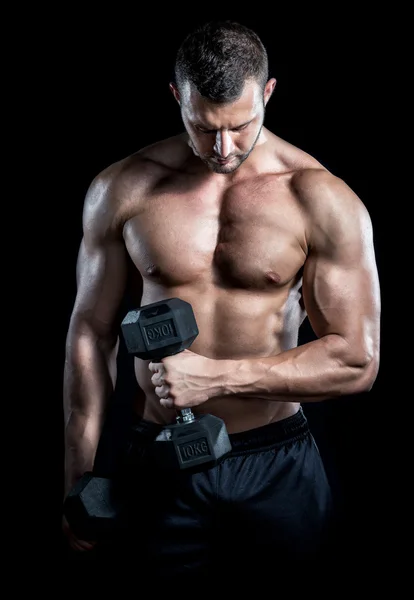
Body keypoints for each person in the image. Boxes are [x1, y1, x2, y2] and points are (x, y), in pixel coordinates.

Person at [62, 20, 381, 575]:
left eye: (241, 126)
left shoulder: (320, 198)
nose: (223, 148)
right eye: (203, 127)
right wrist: (78, 478)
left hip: (276, 460)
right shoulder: (125, 189)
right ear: (176, 98)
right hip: (156, 459)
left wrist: (219, 376)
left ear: (269, 93)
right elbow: (90, 333)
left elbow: (356, 361)